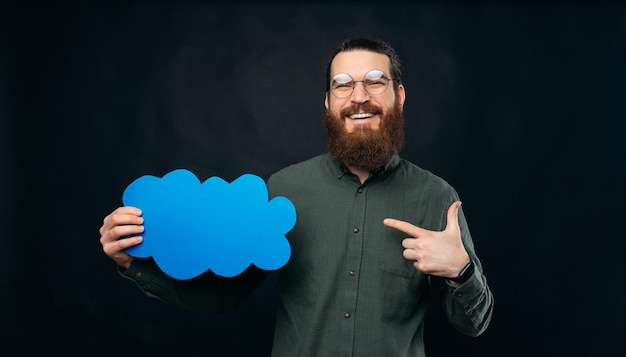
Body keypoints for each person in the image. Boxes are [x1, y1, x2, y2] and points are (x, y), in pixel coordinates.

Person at [99, 37, 494, 356]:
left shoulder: (436, 197)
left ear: (400, 96)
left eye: (375, 81)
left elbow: (473, 323)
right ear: (328, 102)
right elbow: (221, 296)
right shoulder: (284, 190)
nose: (359, 96)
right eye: (343, 84)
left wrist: (461, 272)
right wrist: (132, 261)